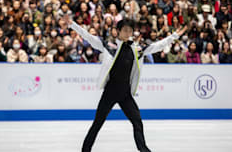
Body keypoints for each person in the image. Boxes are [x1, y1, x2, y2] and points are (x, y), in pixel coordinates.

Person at [63, 15, 186, 152]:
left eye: (130, 31)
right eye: (125, 30)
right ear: (118, 31)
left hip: (125, 94)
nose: (128, 33)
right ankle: (85, 150)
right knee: (98, 123)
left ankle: (143, 149)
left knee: (137, 121)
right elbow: (89, 37)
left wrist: (174, 36)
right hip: (110, 92)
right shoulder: (110, 46)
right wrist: (72, 24)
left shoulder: (136, 49)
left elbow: (156, 46)